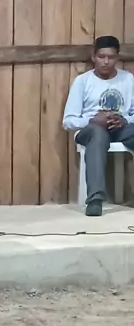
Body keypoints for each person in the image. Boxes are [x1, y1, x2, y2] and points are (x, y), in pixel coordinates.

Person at [63, 35, 134, 216]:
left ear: (117, 58)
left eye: (111, 57)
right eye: (102, 57)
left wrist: (125, 120)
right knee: (98, 134)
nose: (106, 62)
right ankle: (95, 200)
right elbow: (68, 120)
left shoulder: (128, 80)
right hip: (91, 130)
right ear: (94, 57)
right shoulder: (83, 81)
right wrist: (93, 120)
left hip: (120, 128)